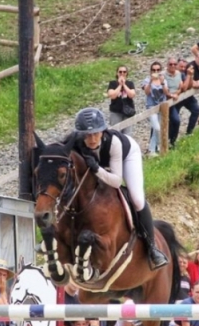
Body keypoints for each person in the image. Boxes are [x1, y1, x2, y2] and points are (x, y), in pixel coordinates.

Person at [68, 108, 168, 270]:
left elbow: (116, 181)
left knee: (136, 198)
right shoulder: (76, 142)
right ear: (81, 135)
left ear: (102, 131)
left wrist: (97, 170)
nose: (92, 139)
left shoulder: (113, 143)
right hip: (101, 165)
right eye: (87, 135)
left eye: (96, 133)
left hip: (127, 156)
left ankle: (152, 248)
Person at [141, 61, 170, 157]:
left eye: (158, 70)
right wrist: (150, 81)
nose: (155, 71)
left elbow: (166, 92)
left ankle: (153, 149)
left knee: (157, 128)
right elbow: (147, 92)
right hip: (151, 106)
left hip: (162, 106)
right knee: (157, 128)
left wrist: (162, 83)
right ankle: (157, 146)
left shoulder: (163, 80)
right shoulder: (147, 80)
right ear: (150, 71)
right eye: (154, 70)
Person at [172, 58, 199, 139]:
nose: (183, 68)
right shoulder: (176, 74)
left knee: (196, 110)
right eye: (181, 67)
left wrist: (191, 76)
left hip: (187, 96)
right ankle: (172, 138)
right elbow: (184, 88)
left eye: (184, 67)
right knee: (175, 119)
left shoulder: (184, 73)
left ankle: (189, 131)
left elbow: (190, 85)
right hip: (177, 98)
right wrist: (189, 76)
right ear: (177, 66)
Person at [163, 57, 186, 148]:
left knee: (174, 121)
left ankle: (172, 141)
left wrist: (177, 93)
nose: (173, 66)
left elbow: (181, 87)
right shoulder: (163, 75)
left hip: (175, 100)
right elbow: (164, 89)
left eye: (174, 64)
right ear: (167, 65)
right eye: (170, 64)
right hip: (166, 101)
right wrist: (172, 95)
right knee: (174, 120)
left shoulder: (179, 74)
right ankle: (165, 142)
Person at [106, 65, 136, 136]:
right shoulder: (112, 83)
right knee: (115, 133)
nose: (122, 73)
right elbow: (112, 96)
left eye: (124, 72)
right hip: (116, 111)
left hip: (128, 112)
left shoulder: (130, 83)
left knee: (128, 134)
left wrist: (124, 85)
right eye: (120, 72)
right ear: (117, 73)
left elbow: (132, 95)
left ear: (127, 73)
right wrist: (119, 85)